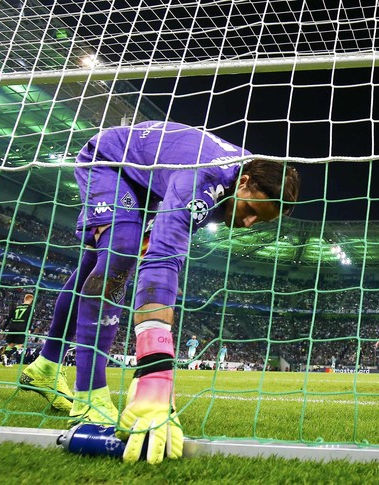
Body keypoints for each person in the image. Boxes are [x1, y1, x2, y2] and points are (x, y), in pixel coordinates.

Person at [19, 120, 300, 464]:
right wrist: (156, 373)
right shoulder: (204, 181)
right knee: (120, 253)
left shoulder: (244, 176)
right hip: (111, 160)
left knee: (99, 263)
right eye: (252, 211)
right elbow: (162, 262)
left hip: (147, 180)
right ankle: (89, 395)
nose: (248, 224)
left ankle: (45, 366)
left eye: (261, 221)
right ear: (243, 182)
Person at [3, 293, 34, 366]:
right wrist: (29, 329)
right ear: (31, 300)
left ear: (24, 299)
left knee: (10, 344)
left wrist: (3, 328)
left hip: (12, 326)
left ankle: (6, 361)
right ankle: (6, 355)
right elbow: (30, 319)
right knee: (20, 344)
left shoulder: (16, 307)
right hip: (22, 327)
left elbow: (9, 318)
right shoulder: (30, 308)